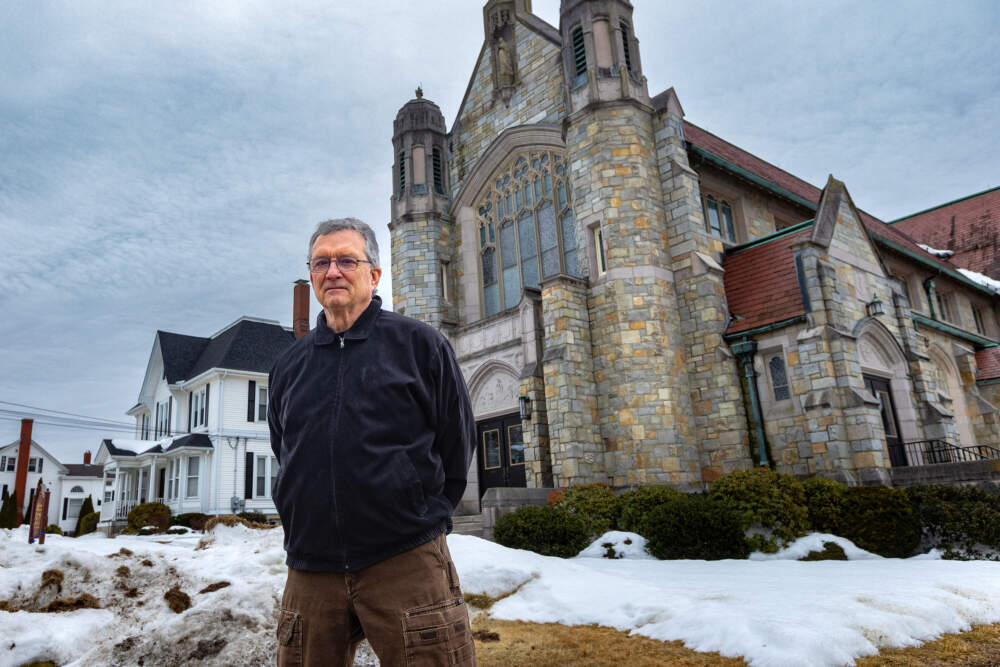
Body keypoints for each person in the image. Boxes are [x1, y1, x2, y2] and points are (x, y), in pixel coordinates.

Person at [268, 218, 477, 666]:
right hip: (311, 568)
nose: (333, 271)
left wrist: (423, 514)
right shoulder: (288, 367)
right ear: (312, 276)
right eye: (321, 262)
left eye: (347, 259)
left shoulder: (421, 346)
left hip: (404, 559)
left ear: (374, 274)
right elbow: (284, 449)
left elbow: (456, 446)